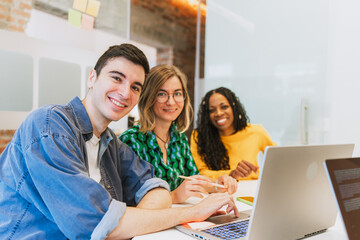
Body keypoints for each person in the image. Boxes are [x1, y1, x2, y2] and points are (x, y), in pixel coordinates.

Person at [0, 45, 238, 240]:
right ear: (92, 77)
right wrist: (194, 212)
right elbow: (96, 224)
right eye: (117, 78)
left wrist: (128, 224)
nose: (126, 93)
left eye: (135, 87)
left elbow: (157, 189)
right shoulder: (50, 125)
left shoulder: (110, 142)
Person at [120, 65, 237, 204]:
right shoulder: (130, 141)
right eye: (161, 94)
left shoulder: (178, 137)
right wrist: (174, 196)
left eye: (177, 93)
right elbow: (127, 201)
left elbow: (193, 179)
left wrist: (219, 184)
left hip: (179, 219)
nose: (171, 101)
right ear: (149, 98)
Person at [191, 87, 276, 181]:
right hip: (217, 191)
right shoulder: (199, 136)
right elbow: (200, 173)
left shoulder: (256, 132)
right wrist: (232, 174)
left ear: (234, 108)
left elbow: (278, 159)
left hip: (251, 190)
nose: (218, 113)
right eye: (212, 110)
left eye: (224, 107)